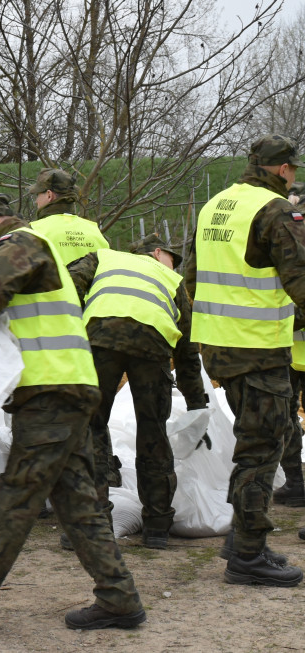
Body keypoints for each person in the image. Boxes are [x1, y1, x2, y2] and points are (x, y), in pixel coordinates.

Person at [0, 192, 145, 631]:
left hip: (51, 392)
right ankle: (119, 598)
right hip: (65, 386)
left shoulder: (19, 242)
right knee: (77, 504)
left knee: (17, 494)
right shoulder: (34, 245)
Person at [187, 134, 305, 587]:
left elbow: (192, 278)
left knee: (252, 442)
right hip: (258, 349)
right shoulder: (274, 210)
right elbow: (300, 279)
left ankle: (241, 538)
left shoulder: (215, 206)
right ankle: (249, 556)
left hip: (219, 347)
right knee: (262, 448)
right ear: (283, 169)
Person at [68, 234, 208, 549]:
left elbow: (67, 284)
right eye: (172, 258)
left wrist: (73, 329)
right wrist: (197, 405)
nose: (175, 266)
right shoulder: (173, 282)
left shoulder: (103, 257)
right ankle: (157, 527)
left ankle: (93, 523)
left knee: (90, 427)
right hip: (152, 345)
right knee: (153, 431)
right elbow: (187, 352)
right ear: (157, 253)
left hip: (100, 338)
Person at [273, 181, 305, 507]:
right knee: (285, 417)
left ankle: (296, 483)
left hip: (288, 341)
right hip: (289, 347)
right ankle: (295, 483)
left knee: (286, 416)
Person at [28, 168, 110, 264]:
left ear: (49, 195)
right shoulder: (96, 233)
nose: (36, 201)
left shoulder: (32, 231)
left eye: (37, 195)